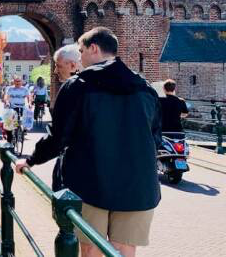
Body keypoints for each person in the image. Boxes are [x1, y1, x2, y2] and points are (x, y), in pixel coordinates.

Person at [15, 27, 161, 257]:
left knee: (91, 248)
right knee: (124, 250)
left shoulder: (78, 86)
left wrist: (31, 160)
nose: (79, 57)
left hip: (92, 182)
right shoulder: (145, 88)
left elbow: (59, 137)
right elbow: (155, 138)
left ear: (94, 49)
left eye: (81, 51)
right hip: (137, 185)